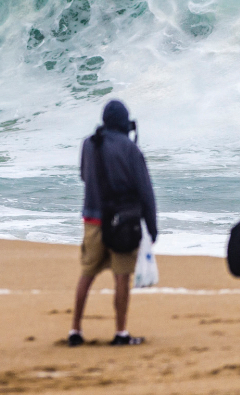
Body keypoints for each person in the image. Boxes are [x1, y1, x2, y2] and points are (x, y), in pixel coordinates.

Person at [69, 100, 157, 347]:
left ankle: (75, 330)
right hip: (124, 223)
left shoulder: (89, 144)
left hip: (93, 219)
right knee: (121, 277)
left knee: (87, 274)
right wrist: (152, 227)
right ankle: (120, 332)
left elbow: (84, 176)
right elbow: (145, 191)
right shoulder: (130, 148)